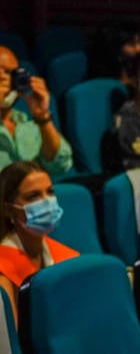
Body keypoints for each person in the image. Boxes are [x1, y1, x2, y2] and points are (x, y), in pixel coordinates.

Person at [0, 161, 78, 326]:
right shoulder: (2, 272)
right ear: (8, 209)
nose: (47, 202)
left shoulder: (65, 255)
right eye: (33, 196)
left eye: (50, 192)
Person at [0, 44, 73, 177]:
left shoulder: (28, 125)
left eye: (10, 73)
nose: (4, 79)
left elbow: (61, 165)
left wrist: (42, 117)